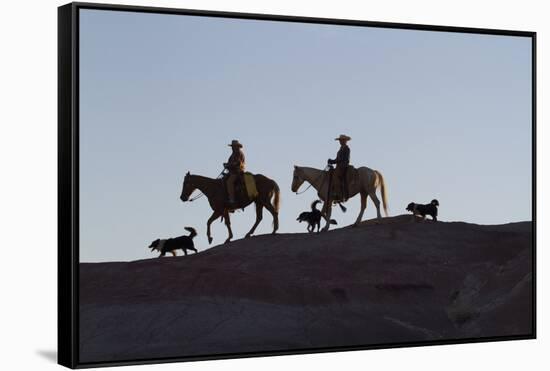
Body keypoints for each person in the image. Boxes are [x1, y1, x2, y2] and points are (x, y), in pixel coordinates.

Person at [327, 134, 351, 201]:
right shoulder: (340, 149)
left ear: (345, 141)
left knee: (335, 176)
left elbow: (344, 159)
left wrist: (334, 161)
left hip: (343, 166)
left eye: (342, 140)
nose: (340, 141)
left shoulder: (347, 149)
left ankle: (339, 193)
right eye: (340, 140)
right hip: (339, 166)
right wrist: (332, 161)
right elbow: (337, 159)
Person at [224, 140, 246, 204]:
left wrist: (229, 165)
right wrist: (226, 165)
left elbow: (238, 163)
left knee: (229, 182)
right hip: (232, 172)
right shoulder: (232, 155)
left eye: (234, 146)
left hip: (238, 172)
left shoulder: (239, 153)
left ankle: (232, 199)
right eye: (232, 146)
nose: (232, 148)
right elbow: (230, 163)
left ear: (237, 147)